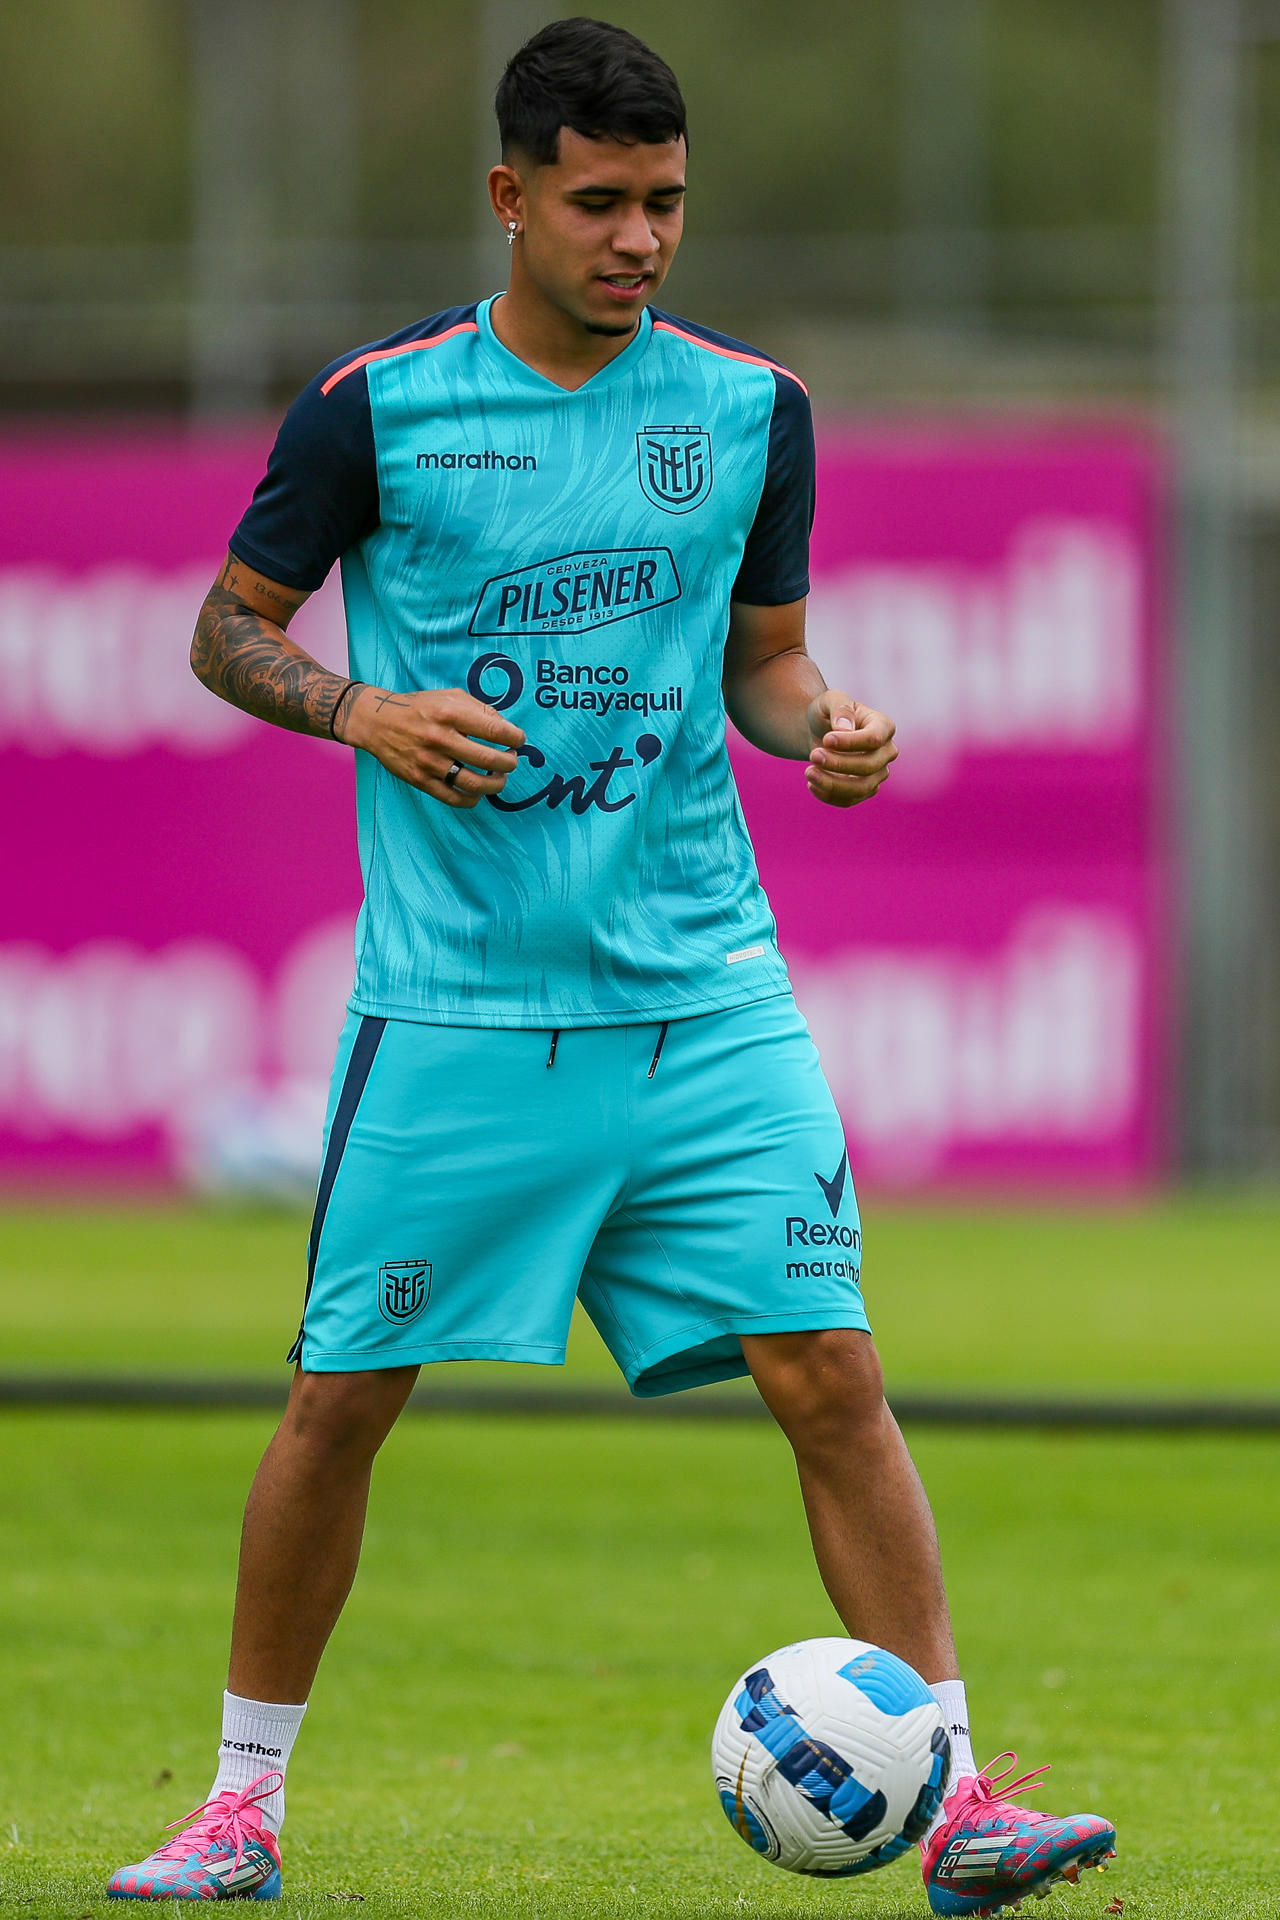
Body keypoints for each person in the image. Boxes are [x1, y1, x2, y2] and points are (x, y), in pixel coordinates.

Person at [106, 18, 1115, 1914]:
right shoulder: (375, 411)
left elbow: (765, 660)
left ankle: (963, 1801)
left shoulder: (750, 412)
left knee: (833, 1371)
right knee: (341, 1403)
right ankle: (237, 1807)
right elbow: (225, 634)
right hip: (461, 1009)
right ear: (510, 198)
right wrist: (359, 710)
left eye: (663, 202)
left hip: (706, 998)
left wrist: (826, 723)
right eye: (599, 202)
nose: (639, 236)